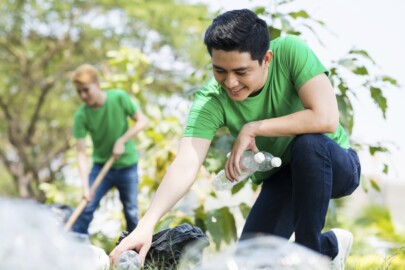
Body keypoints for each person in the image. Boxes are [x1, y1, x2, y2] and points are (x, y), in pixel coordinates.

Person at [109, 9, 361, 269]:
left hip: (333, 164)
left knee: (308, 144)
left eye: (241, 72)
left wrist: (253, 128)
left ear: (266, 59)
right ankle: (329, 247)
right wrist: (146, 225)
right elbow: (186, 163)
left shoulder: (290, 51)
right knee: (249, 262)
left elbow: (325, 118)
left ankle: (311, 260)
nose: (230, 82)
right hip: (283, 178)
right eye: (220, 70)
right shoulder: (211, 99)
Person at [70, 64, 147, 235]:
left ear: (97, 85)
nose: (83, 95)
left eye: (86, 90)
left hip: (127, 165)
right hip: (101, 168)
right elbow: (81, 152)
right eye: (79, 92)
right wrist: (85, 186)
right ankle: (74, 250)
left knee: (131, 212)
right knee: (86, 209)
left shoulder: (118, 97)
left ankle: (134, 256)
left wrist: (122, 139)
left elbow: (142, 121)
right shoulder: (81, 115)